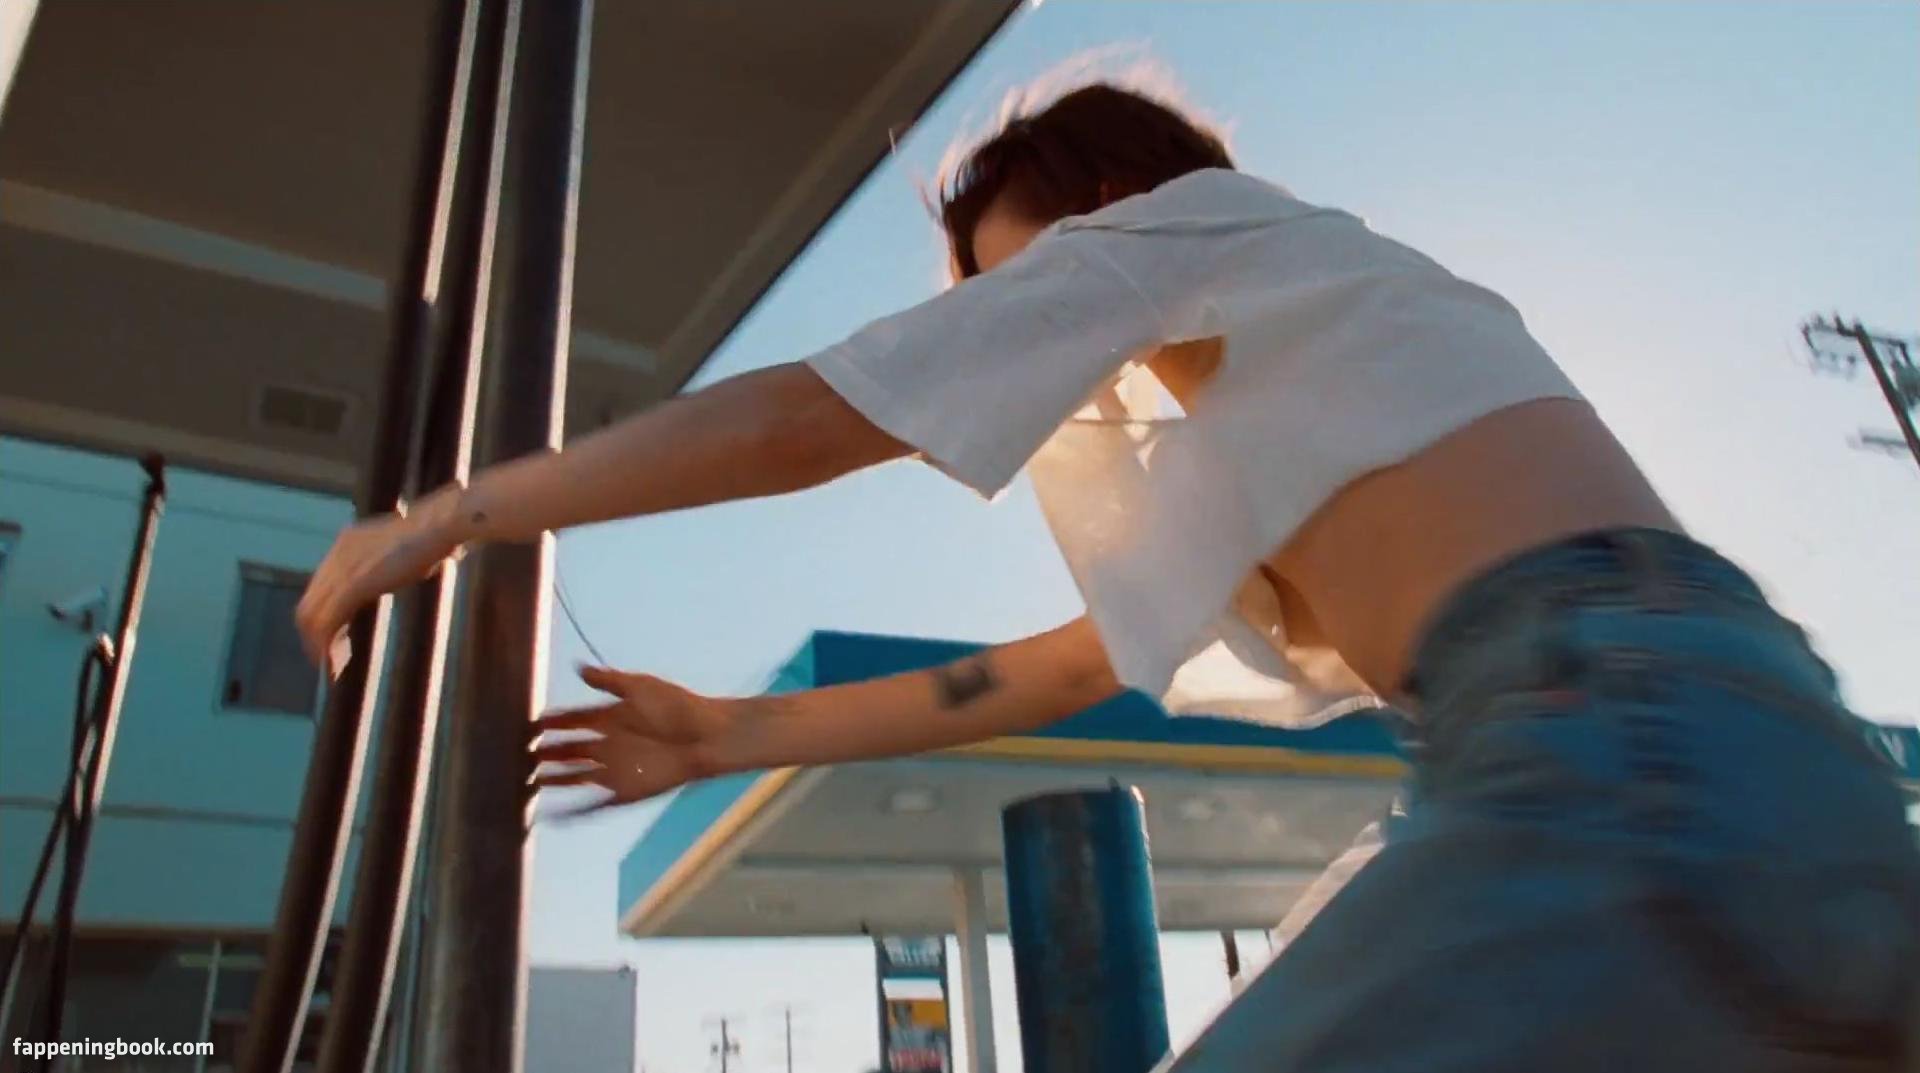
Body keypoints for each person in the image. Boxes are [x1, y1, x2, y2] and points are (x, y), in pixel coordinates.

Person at [296, 80, 1919, 1069]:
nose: (1051, 343)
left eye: (1027, 282)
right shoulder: (1322, 354)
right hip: (1771, 748)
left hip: (1603, 738)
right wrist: (733, 734)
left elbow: (818, 414)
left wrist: (453, 514)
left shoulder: (1188, 232)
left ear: (1105, 206)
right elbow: (1056, 666)